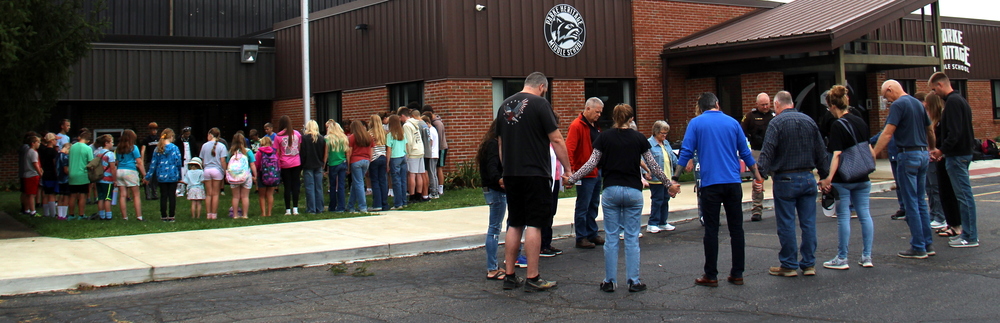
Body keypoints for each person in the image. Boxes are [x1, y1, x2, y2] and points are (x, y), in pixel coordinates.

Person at [567, 104, 674, 293]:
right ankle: (633, 280)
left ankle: (609, 281)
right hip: (633, 190)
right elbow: (653, 165)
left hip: (611, 190)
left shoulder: (604, 137)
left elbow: (591, 162)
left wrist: (573, 178)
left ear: (614, 118)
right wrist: (668, 184)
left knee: (612, 237)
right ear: (631, 119)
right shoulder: (639, 138)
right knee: (632, 237)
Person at [676, 92, 763, 287]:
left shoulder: (696, 123)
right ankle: (737, 272)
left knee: (712, 230)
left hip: (710, 184)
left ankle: (711, 274)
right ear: (717, 103)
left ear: (701, 107)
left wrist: (675, 178)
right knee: (736, 229)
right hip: (732, 181)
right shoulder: (732, 123)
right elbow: (745, 153)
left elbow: (686, 152)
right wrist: (757, 177)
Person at [495, 72, 571, 292]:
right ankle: (532, 277)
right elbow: (556, 139)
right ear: (542, 87)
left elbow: (500, 144)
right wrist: (567, 169)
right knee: (535, 224)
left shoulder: (504, 106)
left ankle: (509, 276)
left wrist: (505, 169)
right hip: (535, 173)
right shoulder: (540, 104)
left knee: (514, 222)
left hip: (511, 173)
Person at [757, 91, 829, 277]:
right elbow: (821, 151)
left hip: (785, 178)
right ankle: (809, 263)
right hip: (807, 176)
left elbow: (768, 151)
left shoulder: (776, 123)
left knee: (787, 222)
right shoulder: (809, 121)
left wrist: (760, 176)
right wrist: (825, 176)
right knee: (808, 223)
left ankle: (789, 264)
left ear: (777, 105)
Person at [872, 80, 935, 258]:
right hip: (922, 154)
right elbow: (929, 129)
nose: (887, 100)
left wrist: (874, 153)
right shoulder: (917, 103)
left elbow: (888, 132)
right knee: (921, 200)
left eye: (886, 96)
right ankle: (928, 243)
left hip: (907, 155)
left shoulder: (899, 105)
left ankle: (918, 246)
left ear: (891, 90)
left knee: (910, 202)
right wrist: (931, 149)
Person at [817, 86, 875, 269]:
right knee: (865, 214)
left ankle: (842, 257)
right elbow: (869, 148)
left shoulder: (837, 125)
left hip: (844, 178)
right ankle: (867, 256)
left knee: (843, 216)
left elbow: (837, 155)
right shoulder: (860, 121)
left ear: (833, 105)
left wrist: (828, 178)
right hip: (862, 175)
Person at [927, 72, 979, 248]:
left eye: (934, 89)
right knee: (963, 195)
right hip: (961, 154)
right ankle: (966, 233)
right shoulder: (960, 101)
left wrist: (941, 150)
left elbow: (954, 133)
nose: (935, 93)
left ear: (941, 85)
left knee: (964, 196)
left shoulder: (953, 103)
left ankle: (970, 237)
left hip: (957, 155)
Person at [566, 97, 604, 249]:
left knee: (593, 204)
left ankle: (592, 233)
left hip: (596, 171)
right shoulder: (577, 126)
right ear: (588, 109)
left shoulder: (595, 126)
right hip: (584, 173)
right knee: (583, 205)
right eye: (597, 112)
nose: (599, 115)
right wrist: (570, 171)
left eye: (600, 112)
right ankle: (581, 237)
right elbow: (570, 148)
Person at [923, 93, 962, 238]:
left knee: (943, 191)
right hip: (937, 158)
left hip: (942, 158)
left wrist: (938, 151)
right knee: (937, 190)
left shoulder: (940, 121)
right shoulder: (934, 120)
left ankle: (950, 222)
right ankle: (949, 222)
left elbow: (948, 137)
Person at [478, 121, 507, 280]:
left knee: (494, 228)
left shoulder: (489, 144)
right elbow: (492, 169)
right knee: (494, 229)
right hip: (496, 191)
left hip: (491, 190)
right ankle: (492, 268)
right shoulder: (494, 145)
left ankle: (494, 266)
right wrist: (501, 181)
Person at [914, 92, 947, 230]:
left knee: (935, 187)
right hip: (928, 156)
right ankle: (934, 214)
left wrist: (936, 150)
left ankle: (941, 216)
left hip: (934, 157)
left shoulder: (939, 121)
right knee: (929, 187)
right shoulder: (929, 118)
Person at [742, 93, 774, 222]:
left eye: (767, 104)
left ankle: (781, 206)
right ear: (757, 104)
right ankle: (756, 210)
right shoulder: (750, 116)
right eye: (763, 105)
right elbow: (741, 132)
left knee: (778, 179)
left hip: (773, 152)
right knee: (758, 181)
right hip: (757, 152)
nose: (765, 107)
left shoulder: (774, 115)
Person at [645, 120, 679, 233]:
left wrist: (679, 168)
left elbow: (672, 158)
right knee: (657, 200)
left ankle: (663, 222)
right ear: (655, 132)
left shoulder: (666, 143)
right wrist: (645, 172)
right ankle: (653, 223)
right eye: (662, 133)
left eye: (665, 134)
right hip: (656, 179)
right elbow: (643, 159)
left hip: (667, 178)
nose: (664, 136)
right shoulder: (648, 143)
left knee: (665, 199)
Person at [145, 128, 183, 221]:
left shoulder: (158, 148)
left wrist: (147, 177)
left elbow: (153, 164)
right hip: (173, 175)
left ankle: (163, 215)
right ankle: (171, 215)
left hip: (161, 176)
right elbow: (178, 163)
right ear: (171, 137)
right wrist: (179, 176)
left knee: (163, 196)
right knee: (172, 196)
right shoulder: (175, 148)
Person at [273, 116, 303, 215]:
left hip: (284, 163)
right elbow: (299, 148)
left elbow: (277, 152)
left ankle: (287, 210)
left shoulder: (278, 137)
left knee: (287, 187)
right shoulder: (297, 134)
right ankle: (295, 208)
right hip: (296, 162)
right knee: (295, 186)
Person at [115, 129, 145, 221]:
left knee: (122, 195)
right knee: (136, 195)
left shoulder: (118, 148)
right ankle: (139, 216)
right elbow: (139, 162)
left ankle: (125, 217)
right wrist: (144, 174)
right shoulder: (133, 147)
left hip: (120, 171)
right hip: (130, 171)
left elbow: (117, 162)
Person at [199, 127, 228, 220]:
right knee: (215, 194)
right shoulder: (222, 146)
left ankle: (208, 214)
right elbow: (223, 160)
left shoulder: (204, 146)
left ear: (210, 135)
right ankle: (214, 214)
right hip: (217, 170)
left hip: (207, 170)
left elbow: (202, 160)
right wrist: (225, 171)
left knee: (208, 194)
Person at [227, 133, 257, 219]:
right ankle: (245, 215)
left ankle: (235, 215)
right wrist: (255, 175)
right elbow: (252, 165)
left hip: (234, 177)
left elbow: (227, 164)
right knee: (245, 196)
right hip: (246, 176)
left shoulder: (231, 152)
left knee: (235, 197)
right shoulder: (248, 151)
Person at [300, 120, 327, 214]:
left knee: (310, 188)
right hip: (318, 164)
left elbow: (302, 153)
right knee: (318, 188)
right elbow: (324, 152)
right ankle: (320, 208)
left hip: (308, 165)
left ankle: (311, 209)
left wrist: (302, 164)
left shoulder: (304, 138)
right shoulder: (321, 138)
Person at [347, 120, 374, 213]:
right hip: (366, 160)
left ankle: (363, 207)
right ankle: (350, 206)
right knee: (356, 183)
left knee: (358, 184)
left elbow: (349, 152)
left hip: (356, 161)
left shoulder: (352, 137)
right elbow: (371, 150)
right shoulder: (368, 136)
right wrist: (369, 160)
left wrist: (348, 164)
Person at [400, 108, 426, 202]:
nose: (400, 120)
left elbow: (409, 141)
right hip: (420, 149)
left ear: (403, 116)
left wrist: (408, 153)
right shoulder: (415, 123)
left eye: (400, 118)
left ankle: (412, 195)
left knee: (412, 174)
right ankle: (419, 194)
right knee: (419, 174)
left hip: (413, 151)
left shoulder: (406, 125)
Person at [324, 121, 349, 212]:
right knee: (341, 186)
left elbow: (326, 154)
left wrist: (324, 166)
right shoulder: (344, 138)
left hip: (333, 164)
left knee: (333, 186)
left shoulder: (328, 139)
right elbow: (347, 153)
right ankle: (341, 206)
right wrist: (348, 166)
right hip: (342, 162)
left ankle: (332, 206)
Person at [67, 131, 93, 220]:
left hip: (72, 174)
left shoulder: (72, 147)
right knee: (82, 195)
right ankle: (81, 215)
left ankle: (71, 214)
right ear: (88, 140)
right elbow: (90, 162)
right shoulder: (87, 148)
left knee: (73, 195)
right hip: (82, 174)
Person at [367, 115, 391, 211]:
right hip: (383, 156)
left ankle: (377, 204)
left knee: (375, 181)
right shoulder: (383, 133)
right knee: (383, 181)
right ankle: (384, 203)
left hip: (374, 158)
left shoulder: (370, 134)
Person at [424, 105, 448, 196]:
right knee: (434, 169)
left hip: (440, 148)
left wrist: (437, 148)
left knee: (438, 168)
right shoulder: (434, 123)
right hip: (436, 149)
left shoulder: (437, 124)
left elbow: (439, 138)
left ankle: (440, 188)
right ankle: (436, 187)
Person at [385, 115, 408, 210]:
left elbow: (389, 150)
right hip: (403, 157)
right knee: (403, 180)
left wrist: (387, 162)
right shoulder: (402, 133)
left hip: (395, 158)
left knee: (396, 181)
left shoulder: (390, 135)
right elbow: (406, 146)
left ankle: (398, 203)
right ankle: (404, 201)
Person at [93, 134, 117, 220]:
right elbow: (112, 168)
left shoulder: (97, 153)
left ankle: (101, 215)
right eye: (112, 142)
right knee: (108, 198)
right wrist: (115, 179)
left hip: (99, 178)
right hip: (108, 179)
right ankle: (108, 215)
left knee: (100, 197)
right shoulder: (110, 154)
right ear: (106, 143)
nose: (113, 144)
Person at [255, 137, 279, 217]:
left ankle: (263, 213)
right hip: (272, 175)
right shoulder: (274, 152)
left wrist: (256, 173)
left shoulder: (259, 152)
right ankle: (269, 213)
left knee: (262, 195)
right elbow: (278, 163)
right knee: (270, 194)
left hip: (262, 174)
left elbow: (257, 164)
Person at [20, 135, 43, 217]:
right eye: (38, 142)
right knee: (32, 195)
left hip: (27, 174)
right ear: (33, 143)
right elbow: (35, 164)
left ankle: (26, 209)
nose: (39, 144)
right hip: (32, 175)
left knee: (27, 193)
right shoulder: (33, 152)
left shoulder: (28, 152)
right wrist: (40, 173)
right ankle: (33, 211)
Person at [38, 133, 60, 217]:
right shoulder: (53, 152)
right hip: (52, 174)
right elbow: (55, 164)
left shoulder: (43, 151)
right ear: (51, 140)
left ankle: (46, 213)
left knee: (46, 193)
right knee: (52, 194)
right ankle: (53, 213)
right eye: (55, 140)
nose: (56, 141)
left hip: (45, 173)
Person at [414, 109, 433, 200]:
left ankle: (424, 194)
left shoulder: (419, 125)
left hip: (423, 151)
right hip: (428, 150)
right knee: (425, 173)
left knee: (423, 173)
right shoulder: (425, 124)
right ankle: (426, 193)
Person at [421, 113, 440, 199]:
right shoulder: (434, 129)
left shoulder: (431, 131)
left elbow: (430, 142)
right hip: (435, 153)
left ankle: (433, 192)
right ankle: (435, 190)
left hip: (432, 154)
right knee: (433, 173)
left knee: (432, 173)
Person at [141, 122, 161, 200]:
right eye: (152, 129)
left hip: (158, 162)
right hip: (149, 161)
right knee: (148, 178)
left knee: (156, 179)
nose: (154, 131)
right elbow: (143, 150)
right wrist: (142, 160)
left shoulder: (159, 139)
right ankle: (148, 194)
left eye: (155, 129)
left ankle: (154, 193)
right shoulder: (146, 140)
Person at [56, 142, 72, 220]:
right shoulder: (65, 157)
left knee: (60, 196)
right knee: (66, 196)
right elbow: (65, 169)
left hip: (59, 178)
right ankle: (64, 214)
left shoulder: (58, 155)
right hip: (65, 179)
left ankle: (59, 214)